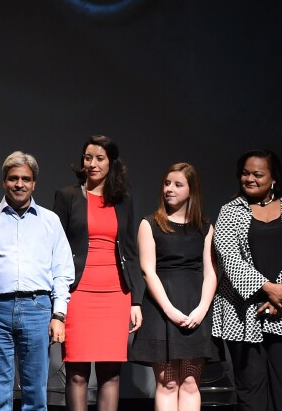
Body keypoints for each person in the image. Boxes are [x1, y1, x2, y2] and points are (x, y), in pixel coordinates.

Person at [0, 151, 74, 411]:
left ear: (34, 184)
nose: (19, 184)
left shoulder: (50, 221)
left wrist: (59, 314)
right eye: (13, 178)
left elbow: (62, 270)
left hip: (37, 307)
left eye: (26, 179)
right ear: (4, 182)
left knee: (35, 389)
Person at [52, 135, 144, 411]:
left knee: (110, 374)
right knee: (77, 372)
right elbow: (56, 248)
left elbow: (131, 251)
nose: (92, 164)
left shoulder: (123, 200)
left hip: (115, 294)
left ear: (111, 162)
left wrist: (136, 299)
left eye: (99, 158)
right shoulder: (67, 196)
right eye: (87, 157)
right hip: (77, 292)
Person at [130, 163, 217, 410]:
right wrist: (169, 310)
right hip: (161, 309)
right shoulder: (151, 224)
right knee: (167, 383)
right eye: (167, 183)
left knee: (190, 382)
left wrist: (201, 309)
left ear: (192, 190)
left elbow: (210, 272)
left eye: (178, 184)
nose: (170, 189)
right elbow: (148, 271)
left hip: (195, 306)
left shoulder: (204, 227)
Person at [212, 149, 282, 410]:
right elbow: (229, 257)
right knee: (250, 391)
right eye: (245, 173)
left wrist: (279, 294)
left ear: (273, 177)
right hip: (241, 313)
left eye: (258, 174)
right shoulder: (230, 211)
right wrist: (269, 290)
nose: (250, 178)